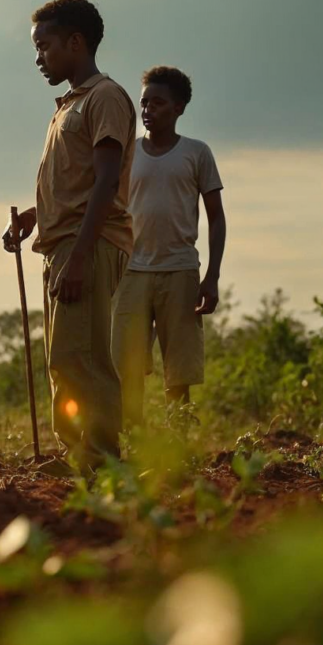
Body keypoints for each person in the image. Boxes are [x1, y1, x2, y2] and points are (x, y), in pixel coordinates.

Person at [2, 0, 134, 466]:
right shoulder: (67, 106)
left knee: (84, 357)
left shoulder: (105, 98)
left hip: (88, 246)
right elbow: (74, 181)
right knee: (64, 356)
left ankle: (98, 456)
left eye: (45, 46)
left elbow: (105, 180)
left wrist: (79, 256)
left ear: (75, 43)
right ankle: (76, 450)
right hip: (64, 245)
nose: (39, 58)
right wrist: (34, 218)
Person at [113, 66, 225, 430]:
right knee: (127, 367)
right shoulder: (125, 153)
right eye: (144, 102)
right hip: (130, 272)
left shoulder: (197, 153)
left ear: (179, 108)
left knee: (179, 371)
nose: (148, 110)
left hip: (180, 270)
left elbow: (216, 218)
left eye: (158, 103)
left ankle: (178, 448)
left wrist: (211, 278)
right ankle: (130, 444)